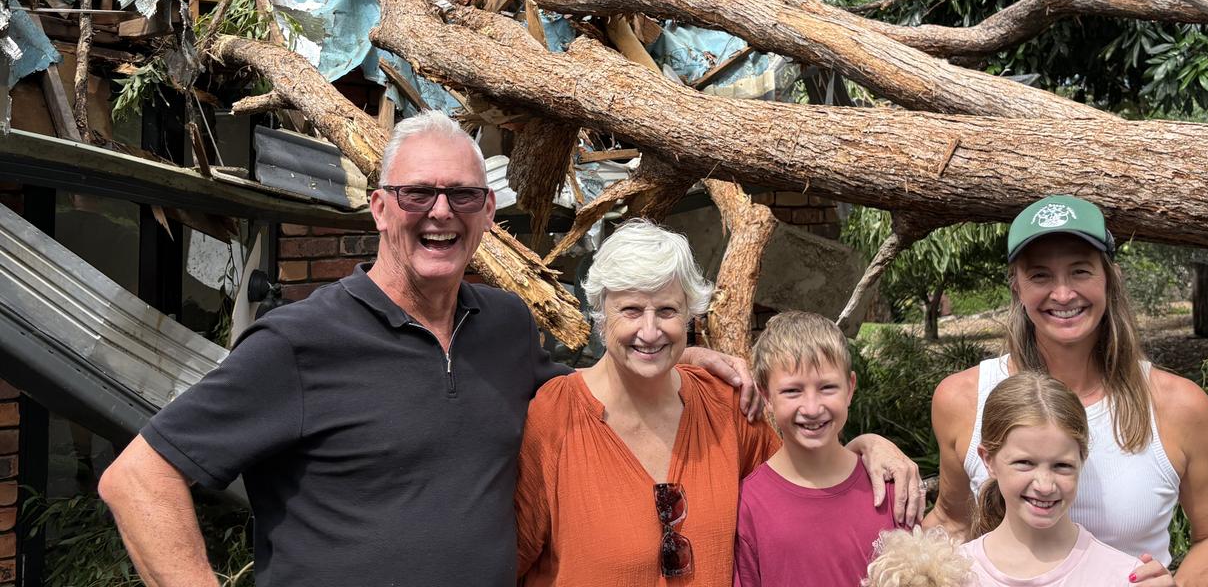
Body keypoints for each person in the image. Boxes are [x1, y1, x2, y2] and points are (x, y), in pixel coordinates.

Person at [98, 112, 762, 587]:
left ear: (487, 217)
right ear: (381, 208)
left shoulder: (503, 326)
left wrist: (675, 361)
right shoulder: (300, 343)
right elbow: (138, 478)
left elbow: (589, 396)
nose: (441, 211)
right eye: (419, 193)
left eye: (463, 195)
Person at [516, 221, 924, 586]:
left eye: (668, 310)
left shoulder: (725, 408)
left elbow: (800, 483)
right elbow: (508, 557)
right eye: (631, 310)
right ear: (601, 314)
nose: (650, 330)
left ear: (691, 316)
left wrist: (867, 444)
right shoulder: (555, 417)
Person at [927, 195, 1208, 586]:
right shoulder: (962, 399)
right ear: (1017, 286)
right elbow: (951, 520)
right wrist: (865, 451)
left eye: (1080, 271)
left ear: (1109, 278)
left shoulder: (1177, 405)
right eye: (1040, 275)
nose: (1062, 294)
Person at [734, 311, 898, 587]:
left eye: (827, 387)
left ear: (850, 388)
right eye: (792, 391)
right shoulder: (748, 504)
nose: (812, 408)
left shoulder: (889, 489)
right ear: (766, 396)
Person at [960, 371, 1141, 585]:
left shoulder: (1124, 576)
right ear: (988, 460)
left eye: (1062, 466)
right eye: (1025, 463)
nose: (1045, 486)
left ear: (1082, 460)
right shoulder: (951, 574)